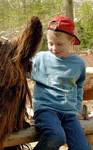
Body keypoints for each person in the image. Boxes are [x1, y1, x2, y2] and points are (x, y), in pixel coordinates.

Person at [30, 16, 91, 150]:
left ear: (71, 41)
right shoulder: (40, 59)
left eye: (59, 44)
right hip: (46, 109)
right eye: (50, 43)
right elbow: (18, 71)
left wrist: (78, 107)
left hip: (69, 113)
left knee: (82, 148)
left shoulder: (78, 64)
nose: (54, 48)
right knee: (56, 137)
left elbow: (79, 87)